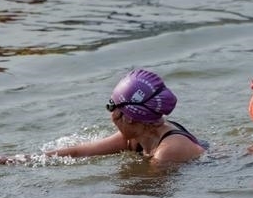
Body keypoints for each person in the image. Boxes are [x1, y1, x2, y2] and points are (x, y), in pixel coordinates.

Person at [45, 69, 205, 167]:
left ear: (129, 118)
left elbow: (148, 191)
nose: (110, 114)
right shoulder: (137, 135)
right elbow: (79, 152)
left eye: (111, 105)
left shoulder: (167, 152)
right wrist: (25, 160)